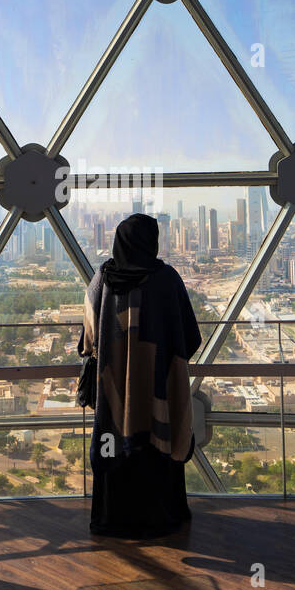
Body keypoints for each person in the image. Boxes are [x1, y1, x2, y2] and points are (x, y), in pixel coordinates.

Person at [78, 213, 202, 538]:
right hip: (158, 386)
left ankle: (112, 520)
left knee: (114, 445)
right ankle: (160, 519)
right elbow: (189, 337)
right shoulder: (166, 279)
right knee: (157, 444)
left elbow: (88, 337)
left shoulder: (102, 279)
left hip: (113, 390)